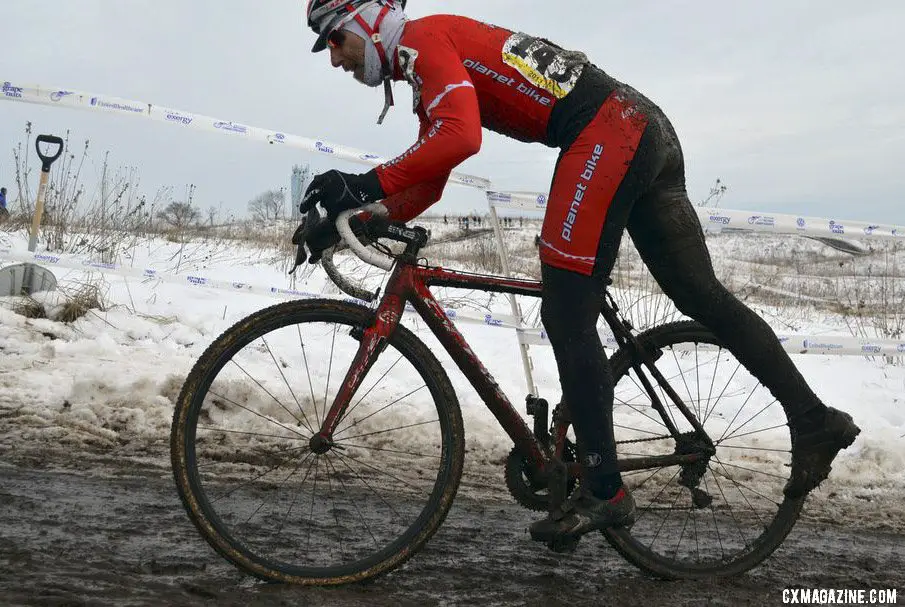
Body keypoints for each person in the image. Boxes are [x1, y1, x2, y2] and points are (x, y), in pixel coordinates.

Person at [298, 0, 860, 547]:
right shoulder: (426, 60)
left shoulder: (422, 40)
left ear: (368, 23)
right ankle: (813, 419)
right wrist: (364, 215)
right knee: (699, 296)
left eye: (337, 40)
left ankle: (604, 489)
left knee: (567, 311)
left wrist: (365, 182)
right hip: (642, 127)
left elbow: (462, 138)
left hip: (607, 133)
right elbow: (436, 169)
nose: (335, 59)